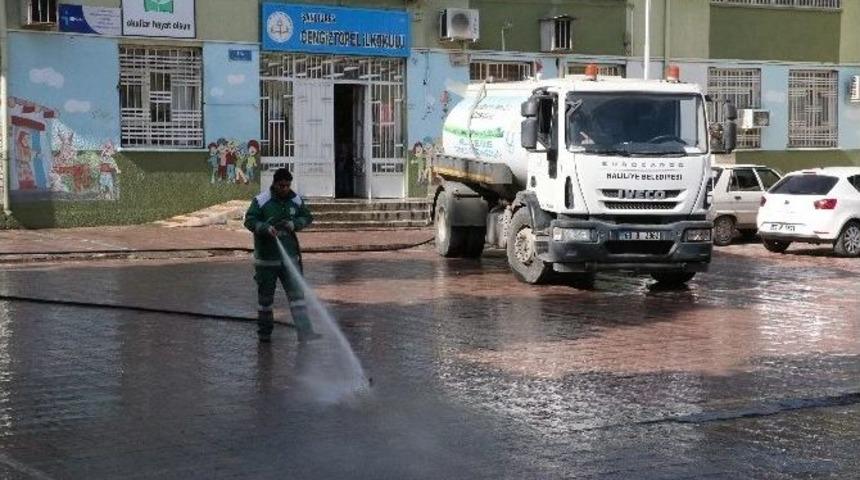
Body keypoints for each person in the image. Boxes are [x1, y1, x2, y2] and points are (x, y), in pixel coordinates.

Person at [243, 168, 320, 343]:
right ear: (274, 184)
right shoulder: (262, 201)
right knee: (265, 300)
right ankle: (264, 334)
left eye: (287, 185)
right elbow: (250, 220)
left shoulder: (295, 200)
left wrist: (295, 224)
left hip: (290, 260)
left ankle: (305, 332)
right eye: (281, 185)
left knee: (297, 297)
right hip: (266, 260)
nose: (285, 188)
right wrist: (264, 228)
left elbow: (307, 216)